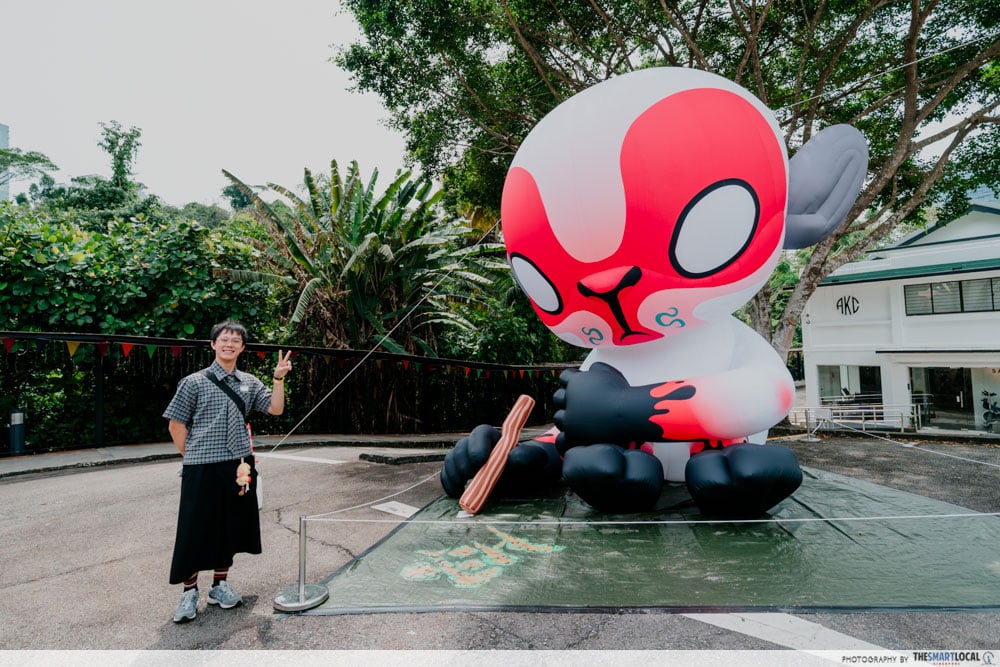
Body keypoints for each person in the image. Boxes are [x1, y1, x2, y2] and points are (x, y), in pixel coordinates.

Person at [163, 320, 292, 623]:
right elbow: (176, 424)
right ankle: (189, 591)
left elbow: (275, 409)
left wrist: (278, 379)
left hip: (239, 466)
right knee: (194, 529)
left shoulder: (248, 382)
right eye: (224, 339)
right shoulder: (193, 382)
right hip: (201, 466)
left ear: (242, 348)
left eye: (236, 340)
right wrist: (192, 455)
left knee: (230, 526)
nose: (229, 344)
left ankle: (219, 586)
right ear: (213, 345)